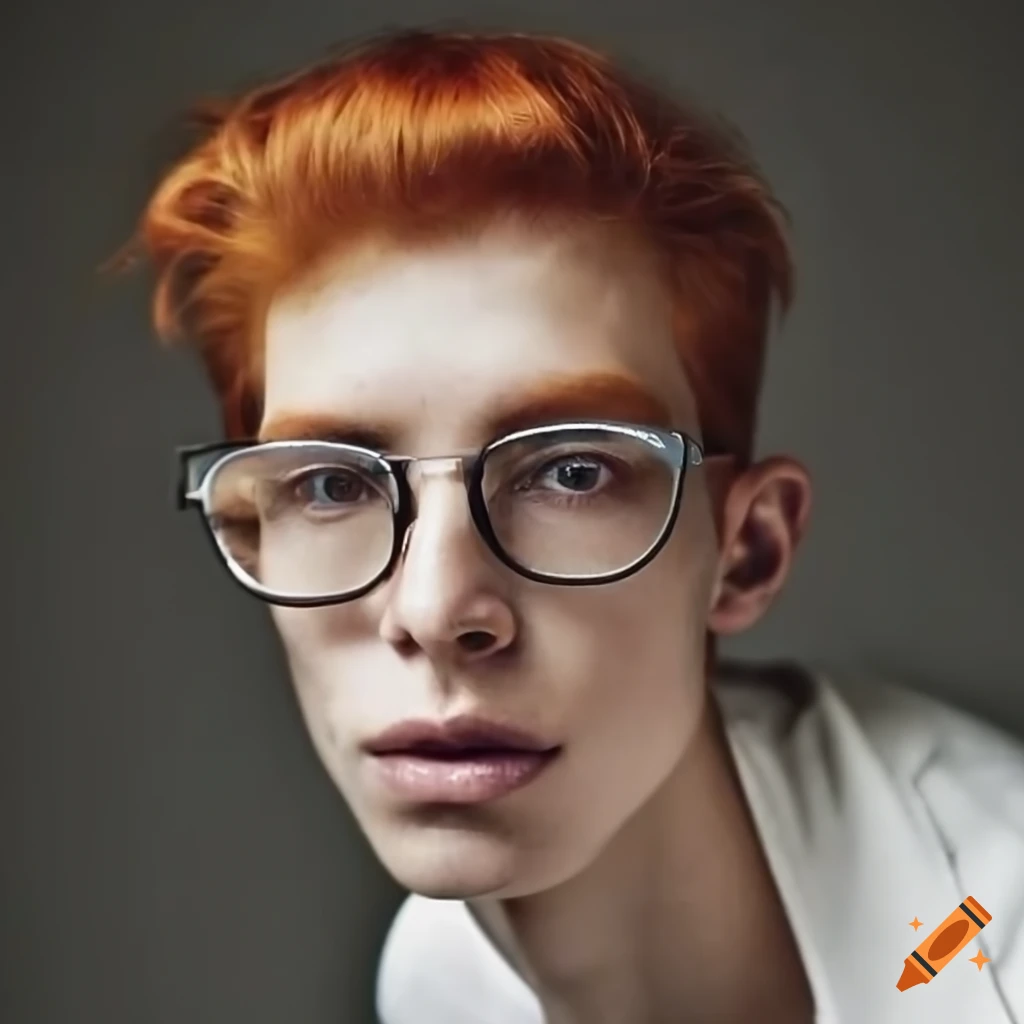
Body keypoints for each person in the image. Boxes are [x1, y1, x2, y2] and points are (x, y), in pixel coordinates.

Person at [126, 28, 1024, 1024]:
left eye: (571, 469)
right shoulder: (439, 981)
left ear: (745, 549)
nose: (435, 609)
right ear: (248, 534)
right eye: (332, 486)